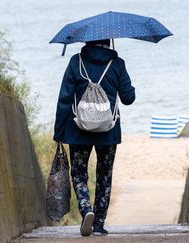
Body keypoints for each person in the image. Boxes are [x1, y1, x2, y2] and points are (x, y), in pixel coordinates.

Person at [53, 39, 135, 236]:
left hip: (78, 130)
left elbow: (64, 97)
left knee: (79, 174)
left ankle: (85, 209)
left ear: (88, 41)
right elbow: (128, 98)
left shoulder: (76, 62)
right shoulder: (117, 64)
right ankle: (98, 223)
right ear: (108, 42)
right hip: (108, 130)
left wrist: (59, 131)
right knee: (104, 176)